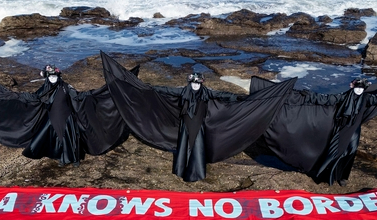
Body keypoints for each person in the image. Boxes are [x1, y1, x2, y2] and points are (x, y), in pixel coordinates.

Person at [101, 51, 296, 182]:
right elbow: (164, 89)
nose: (195, 86)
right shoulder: (183, 92)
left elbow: (223, 95)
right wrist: (146, 88)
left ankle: (196, 172)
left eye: (197, 83)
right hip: (185, 126)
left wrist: (241, 98)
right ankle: (182, 170)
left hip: (199, 126)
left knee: (197, 148)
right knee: (184, 147)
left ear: (201, 84)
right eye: (193, 83)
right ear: (190, 83)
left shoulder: (206, 93)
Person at [249, 60, 377, 185]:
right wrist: (297, 94)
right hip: (339, 129)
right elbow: (320, 100)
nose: (358, 90)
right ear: (352, 87)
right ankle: (325, 175)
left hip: (352, 131)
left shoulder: (367, 98)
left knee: (348, 153)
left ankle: (340, 177)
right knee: (333, 152)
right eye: (356, 88)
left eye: (361, 88)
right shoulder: (343, 98)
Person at [0, 63, 135, 168]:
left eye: (55, 75)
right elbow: (34, 98)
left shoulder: (66, 87)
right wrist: (13, 96)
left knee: (70, 137)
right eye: (50, 76)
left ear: (58, 76)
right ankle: (62, 158)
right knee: (59, 139)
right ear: (47, 77)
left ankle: (74, 159)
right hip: (53, 118)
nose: (53, 78)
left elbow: (79, 96)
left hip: (67, 117)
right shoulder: (45, 89)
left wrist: (101, 92)